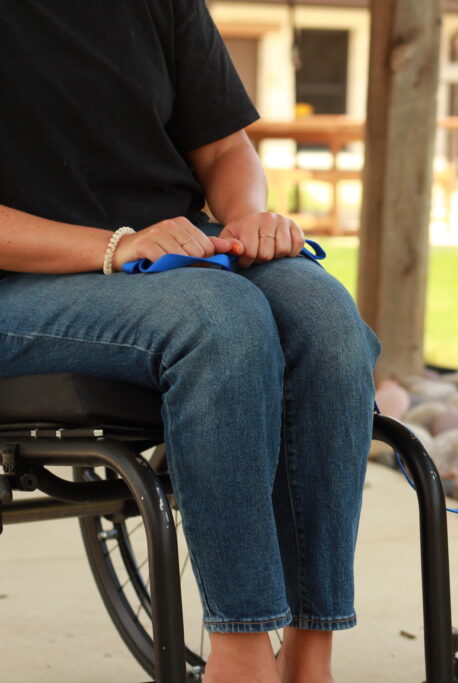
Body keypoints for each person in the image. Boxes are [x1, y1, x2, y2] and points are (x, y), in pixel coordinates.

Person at [0, 2, 381, 682]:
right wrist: (116, 247)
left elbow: (225, 148)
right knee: (219, 319)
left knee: (326, 322)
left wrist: (246, 220)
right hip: (24, 283)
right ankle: (239, 653)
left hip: (175, 256)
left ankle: (309, 653)